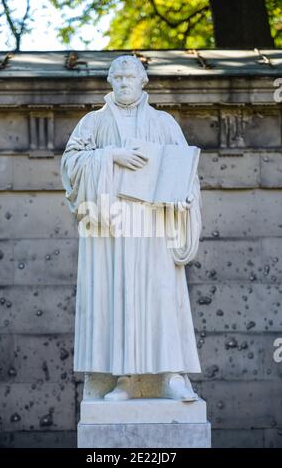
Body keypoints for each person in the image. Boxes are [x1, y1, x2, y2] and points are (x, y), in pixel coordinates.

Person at [61, 55, 202, 401]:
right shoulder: (92, 123)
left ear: (143, 82)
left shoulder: (164, 123)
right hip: (110, 226)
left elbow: (184, 169)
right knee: (117, 296)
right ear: (110, 82)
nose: (124, 82)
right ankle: (124, 378)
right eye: (118, 77)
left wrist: (184, 199)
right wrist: (110, 156)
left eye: (130, 76)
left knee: (161, 295)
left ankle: (172, 374)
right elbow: (70, 165)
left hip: (154, 224)